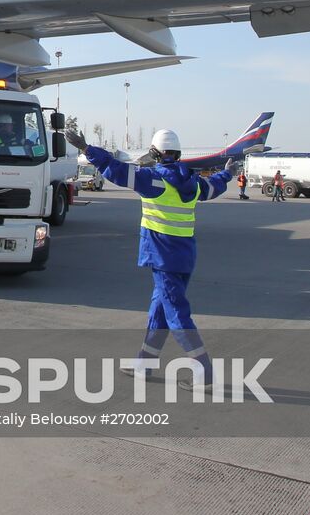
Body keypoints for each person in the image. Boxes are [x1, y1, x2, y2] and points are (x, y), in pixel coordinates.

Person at [65, 126, 233, 393]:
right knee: (160, 308)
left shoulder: (154, 180)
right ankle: (144, 363)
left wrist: (86, 149)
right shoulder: (194, 182)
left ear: (156, 153)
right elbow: (215, 186)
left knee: (177, 313)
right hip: (184, 256)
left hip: (162, 256)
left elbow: (116, 170)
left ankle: (203, 369)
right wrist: (228, 172)